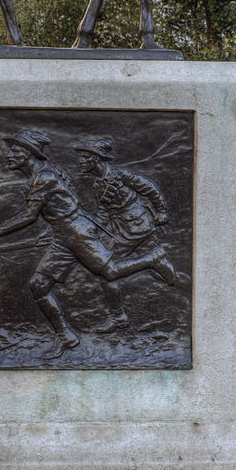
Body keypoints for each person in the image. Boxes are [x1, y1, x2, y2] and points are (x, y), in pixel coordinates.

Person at [0, 129, 175, 357]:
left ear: (29, 155)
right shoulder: (39, 177)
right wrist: (54, 230)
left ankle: (153, 259)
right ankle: (66, 336)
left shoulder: (45, 178)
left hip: (76, 233)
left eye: (16, 151)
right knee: (38, 286)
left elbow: (30, 216)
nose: (10, 155)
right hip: (66, 234)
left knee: (110, 272)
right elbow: (65, 207)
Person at [73, 136, 172, 332]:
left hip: (137, 225)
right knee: (167, 274)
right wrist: (91, 229)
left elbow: (150, 188)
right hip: (122, 229)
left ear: (96, 158)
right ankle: (168, 273)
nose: (80, 161)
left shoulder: (121, 175)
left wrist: (161, 211)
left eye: (84, 157)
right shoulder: (97, 184)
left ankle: (118, 318)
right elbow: (103, 213)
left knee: (106, 270)